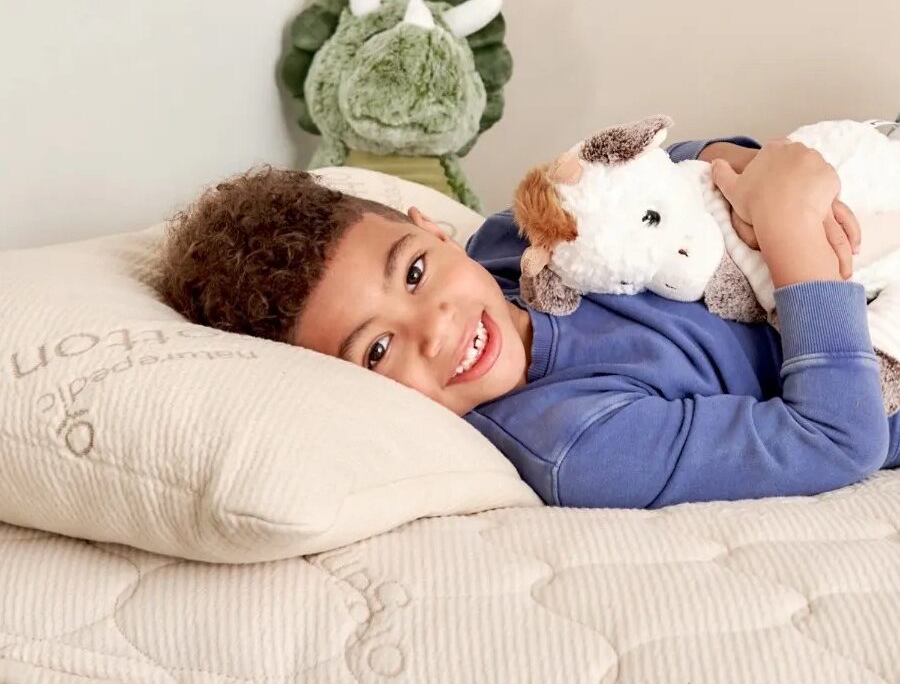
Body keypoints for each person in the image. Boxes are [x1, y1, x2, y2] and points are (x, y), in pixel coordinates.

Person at [156, 136, 900, 508]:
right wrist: (793, 233)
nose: (436, 329)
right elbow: (839, 440)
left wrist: (735, 166)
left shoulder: (517, 238)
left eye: (414, 271)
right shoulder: (573, 440)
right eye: (378, 349)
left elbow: (666, 171)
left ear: (435, 230)